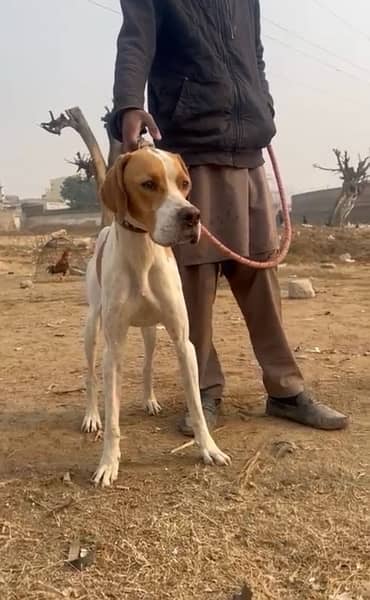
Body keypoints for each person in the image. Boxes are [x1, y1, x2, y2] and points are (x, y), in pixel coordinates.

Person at [109, 1, 348, 435]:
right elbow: (135, 42)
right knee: (196, 278)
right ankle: (202, 392)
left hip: (248, 148)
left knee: (260, 270)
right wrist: (128, 104)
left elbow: (254, 55)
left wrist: (264, 106)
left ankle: (286, 390)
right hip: (192, 148)